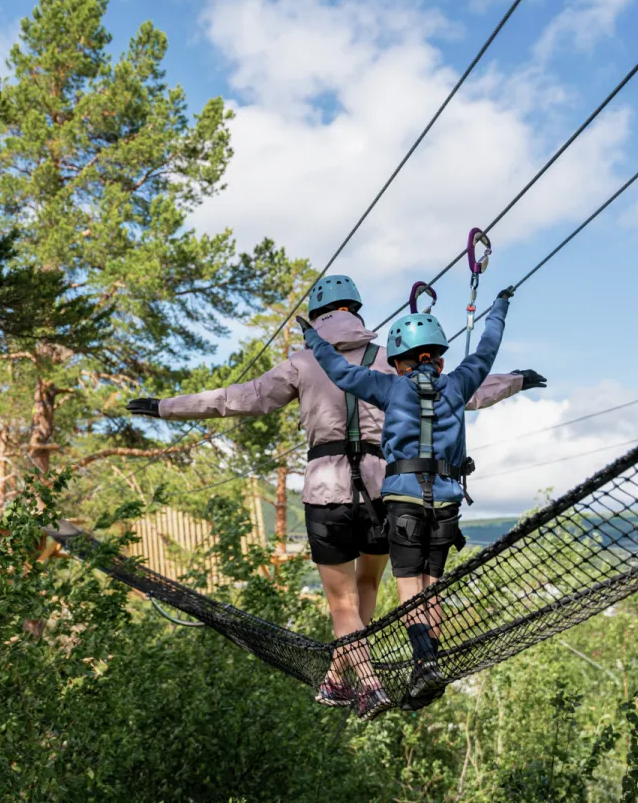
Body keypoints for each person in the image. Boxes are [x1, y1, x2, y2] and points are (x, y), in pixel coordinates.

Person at [127, 275, 543, 716]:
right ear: (355, 311)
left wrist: (165, 406)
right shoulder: (391, 360)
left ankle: (369, 685)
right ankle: (335, 678)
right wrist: (516, 380)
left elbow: (238, 399)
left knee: (341, 601)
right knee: (368, 586)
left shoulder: (304, 363)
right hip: (389, 491)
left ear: (319, 315)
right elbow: (466, 392)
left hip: (327, 491)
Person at [298, 283, 514, 701]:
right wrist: (499, 307)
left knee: (408, 588)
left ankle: (421, 655)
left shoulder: (391, 388)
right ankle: (427, 663)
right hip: (447, 503)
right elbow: (488, 349)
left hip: (403, 502)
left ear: (397, 363)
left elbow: (340, 373)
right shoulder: (459, 383)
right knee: (431, 586)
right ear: (440, 357)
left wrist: (313, 339)